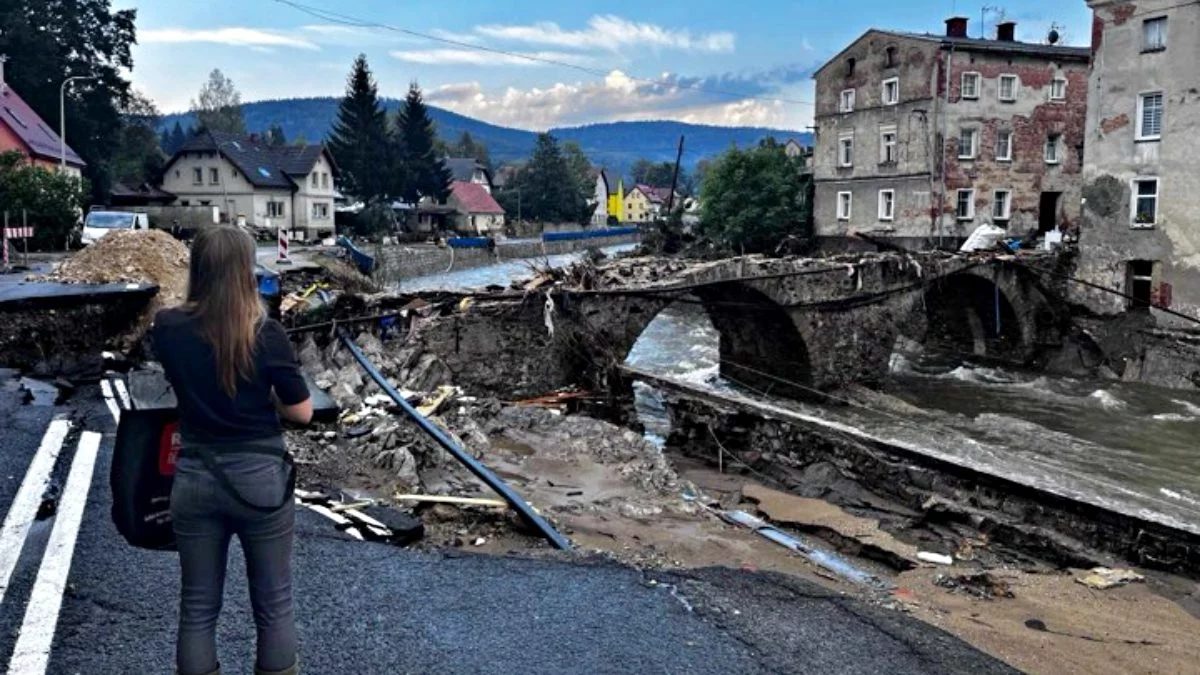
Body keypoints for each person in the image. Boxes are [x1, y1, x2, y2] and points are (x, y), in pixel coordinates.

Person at [152, 226, 312, 675]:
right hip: (260, 481)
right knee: (274, 602)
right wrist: (269, 395)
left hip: (196, 477)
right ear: (245, 270)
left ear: (198, 268)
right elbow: (301, 413)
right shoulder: (267, 332)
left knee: (198, 606)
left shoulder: (168, 328)